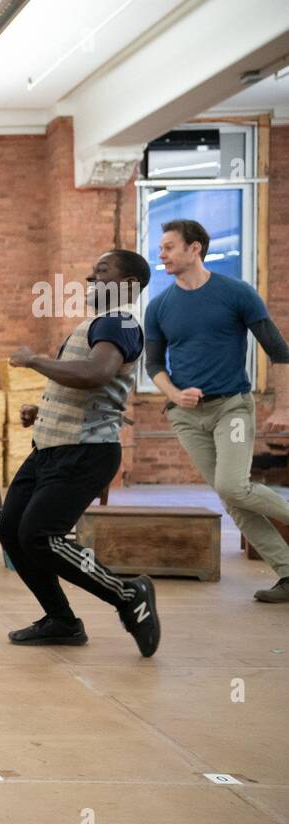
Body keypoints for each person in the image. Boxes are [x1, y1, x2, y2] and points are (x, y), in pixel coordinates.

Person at [0, 250, 161, 654]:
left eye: (101, 272)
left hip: (85, 452)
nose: (90, 279)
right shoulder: (97, 325)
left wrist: (34, 360)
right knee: (10, 530)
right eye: (91, 272)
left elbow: (95, 374)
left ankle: (127, 594)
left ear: (126, 285)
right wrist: (45, 405)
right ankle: (61, 621)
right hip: (52, 449)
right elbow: (83, 381)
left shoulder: (120, 322)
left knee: (39, 535)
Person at [146, 218, 289, 604]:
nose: (162, 254)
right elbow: (154, 365)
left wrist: (285, 407)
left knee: (233, 486)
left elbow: (279, 350)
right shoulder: (159, 306)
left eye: (169, 246)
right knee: (232, 499)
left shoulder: (237, 293)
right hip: (187, 417)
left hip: (233, 410)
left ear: (195, 249)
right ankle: (287, 572)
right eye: (161, 247)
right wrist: (175, 395)